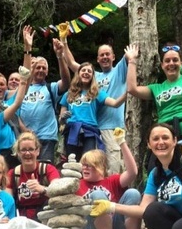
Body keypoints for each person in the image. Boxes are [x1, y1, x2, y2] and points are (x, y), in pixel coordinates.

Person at [62, 39, 129, 174]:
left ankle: (112, 193)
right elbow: (71, 63)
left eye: (107, 54)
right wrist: (64, 41)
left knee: (112, 166)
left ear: (113, 57)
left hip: (111, 126)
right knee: (90, 165)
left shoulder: (118, 71)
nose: (105, 57)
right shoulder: (93, 76)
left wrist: (130, 90)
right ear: (97, 59)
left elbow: (129, 56)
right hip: (93, 129)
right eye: (102, 55)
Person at [76, 129, 141, 229]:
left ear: (101, 167)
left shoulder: (112, 181)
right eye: (83, 165)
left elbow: (133, 172)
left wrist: (122, 143)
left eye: (89, 165)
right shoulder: (77, 184)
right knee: (98, 195)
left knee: (133, 193)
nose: (85, 168)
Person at [126, 44, 182, 138]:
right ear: (162, 65)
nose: (171, 63)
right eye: (167, 61)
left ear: (181, 62)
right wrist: (132, 60)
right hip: (165, 135)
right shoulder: (156, 88)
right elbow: (132, 89)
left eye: (175, 60)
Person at [18, 26, 70, 163]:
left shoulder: (50, 88)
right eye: (38, 67)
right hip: (26, 137)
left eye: (44, 68)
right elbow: (14, 112)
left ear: (47, 72)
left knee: (45, 172)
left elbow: (66, 82)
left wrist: (60, 56)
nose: (40, 70)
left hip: (47, 137)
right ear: (32, 69)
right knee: (26, 172)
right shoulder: (22, 88)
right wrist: (24, 130)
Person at [59, 62, 126, 160]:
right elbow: (61, 121)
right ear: (78, 74)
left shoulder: (97, 93)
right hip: (72, 131)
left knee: (88, 161)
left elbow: (115, 103)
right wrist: (63, 118)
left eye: (89, 71)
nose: (86, 72)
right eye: (83, 70)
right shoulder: (68, 94)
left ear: (92, 76)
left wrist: (128, 93)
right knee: (71, 162)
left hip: (90, 132)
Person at [6, 131, 60, 220]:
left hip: (46, 218)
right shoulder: (12, 174)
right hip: (22, 220)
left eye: (31, 149)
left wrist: (42, 189)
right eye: (23, 150)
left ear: (37, 151)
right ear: (18, 153)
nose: (27, 153)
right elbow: (7, 201)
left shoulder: (49, 169)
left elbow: (59, 192)